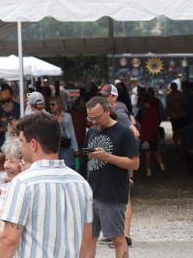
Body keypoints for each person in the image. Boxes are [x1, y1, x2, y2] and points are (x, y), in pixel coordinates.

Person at [0, 112, 93, 258]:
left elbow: (9, 239)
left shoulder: (23, 182)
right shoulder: (81, 183)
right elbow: (86, 240)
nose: (20, 147)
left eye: (21, 141)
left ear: (33, 144)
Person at [81, 96, 140, 258]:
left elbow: (134, 164)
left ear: (108, 111)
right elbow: (89, 161)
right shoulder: (92, 131)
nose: (93, 122)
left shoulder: (125, 132)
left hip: (112, 195)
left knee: (117, 238)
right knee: (87, 239)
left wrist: (107, 157)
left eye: (97, 117)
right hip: (91, 193)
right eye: (90, 118)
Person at [136, 87, 165, 177]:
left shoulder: (141, 111)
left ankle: (148, 171)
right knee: (156, 151)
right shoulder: (153, 110)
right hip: (154, 134)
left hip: (145, 134)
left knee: (147, 153)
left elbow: (138, 121)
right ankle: (162, 166)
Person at [50, 96, 79, 168]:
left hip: (66, 145)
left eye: (53, 104)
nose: (51, 106)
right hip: (55, 147)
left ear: (59, 105)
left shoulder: (67, 116)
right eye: (50, 105)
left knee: (68, 167)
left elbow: (71, 132)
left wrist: (76, 148)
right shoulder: (50, 117)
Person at [0, 87, 20, 151]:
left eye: (8, 100)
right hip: (2, 143)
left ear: (11, 99)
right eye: (3, 102)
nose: (6, 103)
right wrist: (7, 128)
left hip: (17, 143)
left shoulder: (18, 107)